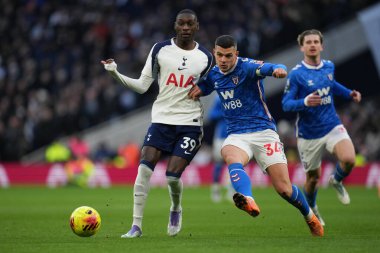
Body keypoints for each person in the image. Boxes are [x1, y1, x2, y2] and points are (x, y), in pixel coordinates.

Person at [188, 35, 324, 236]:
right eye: (219, 55)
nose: (223, 60)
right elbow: (205, 86)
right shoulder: (215, 73)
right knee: (229, 153)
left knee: (284, 189)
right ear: (214, 54)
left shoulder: (248, 67)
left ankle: (309, 216)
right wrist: (194, 91)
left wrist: (278, 70)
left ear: (236, 54)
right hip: (237, 135)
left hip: (264, 132)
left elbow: (269, 67)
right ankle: (247, 199)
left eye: (228, 55)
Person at [101, 9, 213, 238]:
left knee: (172, 176)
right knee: (144, 168)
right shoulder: (160, 49)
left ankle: (175, 208)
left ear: (196, 26)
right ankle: (136, 226)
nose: (185, 28)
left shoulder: (206, 58)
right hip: (161, 120)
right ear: (175, 25)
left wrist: (206, 88)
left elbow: (212, 84)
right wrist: (115, 74)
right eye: (181, 23)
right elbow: (143, 85)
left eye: (189, 24)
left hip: (190, 123)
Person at [282, 29, 361, 226]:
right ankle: (312, 209)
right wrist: (305, 102)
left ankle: (336, 180)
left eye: (316, 41)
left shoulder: (329, 66)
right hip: (309, 135)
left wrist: (349, 93)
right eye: (308, 42)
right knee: (313, 179)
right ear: (302, 47)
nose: (312, 45)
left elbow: (332, 85)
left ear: (321, 45)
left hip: (332, 124)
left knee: (349, 159)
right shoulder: (297, 74)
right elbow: (286, 104)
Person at [208, 95, 234, 202]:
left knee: (234, 164)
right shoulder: (219, 97)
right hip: (221, 136)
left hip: (235, 136)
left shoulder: (238, 94)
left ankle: (232, 191)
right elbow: (211, 115)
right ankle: (215, 189)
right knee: (219, 163)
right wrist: (225, 112)